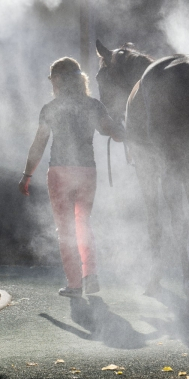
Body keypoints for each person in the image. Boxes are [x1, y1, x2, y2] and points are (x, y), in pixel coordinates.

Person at [19, 57, 124, 297]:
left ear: (56, 80)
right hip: (87, 171)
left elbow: (39, 145)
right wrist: (125, 132)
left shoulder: (51, 108)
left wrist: (27, 175)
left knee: (65, 228)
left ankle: (75, 284)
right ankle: (91, 275)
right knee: (83, 223)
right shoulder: (93, 105)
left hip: (59, 172)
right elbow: (112, 132)